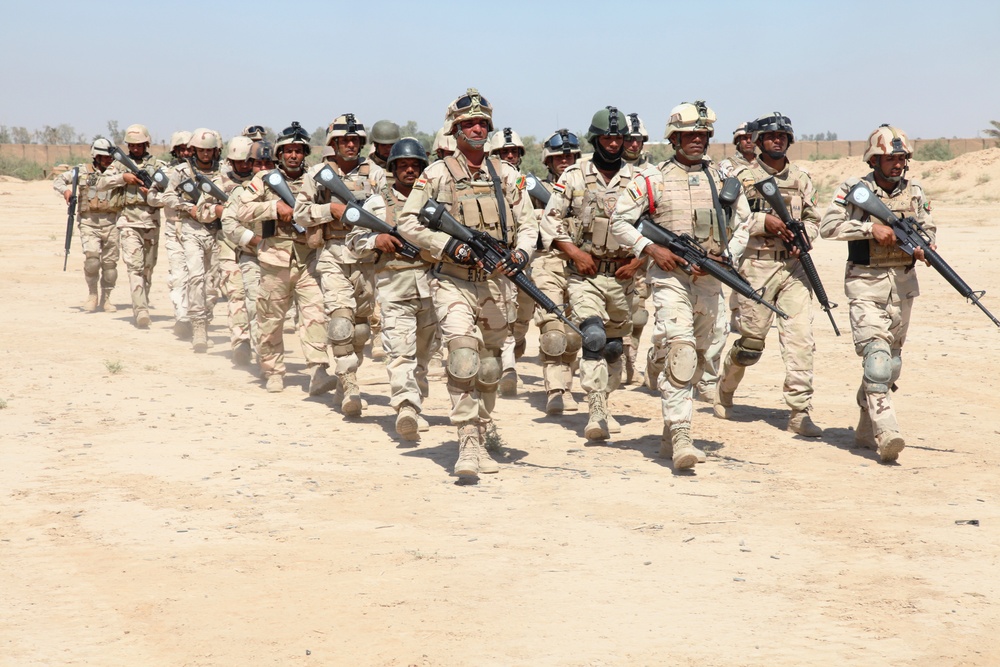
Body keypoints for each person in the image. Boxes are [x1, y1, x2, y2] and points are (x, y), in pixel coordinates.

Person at [397, 88, 536, 477]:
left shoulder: (507, 176)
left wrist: (522, 254)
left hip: (496, 283)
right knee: (461, 357)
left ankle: (483, 428)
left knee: (490, 368)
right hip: (453, 281)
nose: (477, 128)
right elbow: (408, 222)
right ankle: (467, 442)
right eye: (468, 124)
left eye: (482, 123)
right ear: (455, 130)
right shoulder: (436, 175)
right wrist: (447, 247)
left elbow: (529, 225)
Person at [610, 100, 750, 470]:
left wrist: (726, 258)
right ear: (675, 138)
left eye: (703, 135)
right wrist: (651, 247)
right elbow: (620, 222)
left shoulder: (722, 179)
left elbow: (744, 225)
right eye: (690, 134)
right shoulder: (652, 179)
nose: (697, 141)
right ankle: (681, 433)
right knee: (682, 351)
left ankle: (668, 422)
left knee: (703, 354)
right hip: (669, 277)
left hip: (710, 280)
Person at [820, 124, 934, 463]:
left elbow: (927, 227)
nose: (897, 164)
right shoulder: (854, 191)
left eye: (901, 158)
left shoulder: (915, 192)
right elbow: (828, 226)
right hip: (865, 283)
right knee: (878, 360)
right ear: (874, 160)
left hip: (903, 286)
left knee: (892, 365)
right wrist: (870, 228)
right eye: (889, 158)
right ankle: (887, 432)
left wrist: (925, 246)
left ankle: (865, 427)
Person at [715, 113, 824, 437]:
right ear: (759, 141)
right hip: (755, 267)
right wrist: (763, 223)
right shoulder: (740, 177)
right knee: (750, 345)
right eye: (771, 136)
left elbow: (814, 218)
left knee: (800, 340)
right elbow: (726, 221)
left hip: (793, 269)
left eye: (783, 136)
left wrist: (804, 237)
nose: (777, 140)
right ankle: (726, 386)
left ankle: (799, 411)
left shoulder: (802, 179)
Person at [540, 107, 642, 441]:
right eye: (607, 137)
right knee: (593, 336)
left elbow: (659, 226)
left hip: (624, 275)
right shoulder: (573, 175)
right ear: (596, 139)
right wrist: (574, 252)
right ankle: (595, 409)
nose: (614, 144)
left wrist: (638, 262)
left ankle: (605, 400)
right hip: (585, 273)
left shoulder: (640, 178)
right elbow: (551, 219)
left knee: (613, 347)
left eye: (619, 137)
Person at [235, 122, 338, 395]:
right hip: (274, 260)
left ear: (305, 153)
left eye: (298, 150)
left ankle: (318, 369)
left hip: (309, 259)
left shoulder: (317, 178)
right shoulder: (264, 179)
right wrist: (273, 207)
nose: (293, 155)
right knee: (270, 320)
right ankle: (273, 370)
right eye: (288, 151)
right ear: (280, 154)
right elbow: (241, 210)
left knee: (316, 315)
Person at [347, 138, 438, 439]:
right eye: (403, 166)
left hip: (432, 288)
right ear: (393, 169)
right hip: (394, 289)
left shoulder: (434, 204)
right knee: (400, 353)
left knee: (422, 357)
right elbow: (353, 242)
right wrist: (377, 241)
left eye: (415, 166)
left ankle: (417, 402)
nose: (409, 171)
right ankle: (406, 406)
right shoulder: (377, 203)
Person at [297, 113, 386, 416]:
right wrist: (329, 210)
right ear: (333, 143)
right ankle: (350, 384)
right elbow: (300, 213)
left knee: (360, 329)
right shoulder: (318, 173)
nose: (350, 145)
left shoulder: (376, 174)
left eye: (354, 140)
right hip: (333, 253)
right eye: (343, 140)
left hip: (367, 257)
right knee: (339, 320)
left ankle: (342, 379)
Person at [147, 128, 222, 352]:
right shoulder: (181, 171)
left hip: (218, 232)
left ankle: (205, 317)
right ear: (194, 150)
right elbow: (168, 196)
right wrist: (189, 207)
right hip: (191, 230)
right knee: (195, 276)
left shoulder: (225, 170)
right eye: (201, 150)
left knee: (213, 282)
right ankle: (199, 327)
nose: (205, 154)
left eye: (209, 150)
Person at [531, 129, 583, 414]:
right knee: (552, 331)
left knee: (574, 334)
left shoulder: (587, 188)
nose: (565, 161)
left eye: (570, 156)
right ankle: (555, 389)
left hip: (579, 265)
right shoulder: (532, 189)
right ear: (548, 162)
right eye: (559, 157)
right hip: (547, 262)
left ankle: (568, 384)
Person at [96, 124, 165, 329]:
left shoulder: (158, 165)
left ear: (146, 144)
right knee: (134, 267)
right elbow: (100, 184)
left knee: (147, 269)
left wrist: (152, 193)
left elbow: (169, 193)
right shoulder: (119, 165)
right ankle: (140, 310)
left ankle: (143, 300)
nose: (135, 149)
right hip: (128, 220)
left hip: (151, 221)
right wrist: (122, 178)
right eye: (132, 145)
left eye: (139, 145)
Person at [53, 138, 123, 312]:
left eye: (110, 157)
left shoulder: (117, 172)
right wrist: (66, 191)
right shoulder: (81, 171)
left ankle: (106, 299)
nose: (108, 160)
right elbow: (58, 180)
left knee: (110, 266)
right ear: (96, 156)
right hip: (88, 223)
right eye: (104, 157)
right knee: (92, 260)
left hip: (112, 223)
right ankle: (92, 295)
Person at [222, 140, 274, 367]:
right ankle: (263, 360)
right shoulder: (242, 192)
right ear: (251, 165)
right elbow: (230, 225)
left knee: (274, 311)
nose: (263, 169)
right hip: (252, 257)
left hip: (280, 260)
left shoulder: (285, 191)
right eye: (258, 164)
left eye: (267, 164)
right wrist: (255, 241)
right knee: (254, 306)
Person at [204, 136, 255, 365]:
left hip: (257, 248)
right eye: (239, 162)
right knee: (237, 295)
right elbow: (201, 210)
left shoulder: (262, 181)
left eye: (248, 161)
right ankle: (241, 341)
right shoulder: (218, 183)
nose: (244, 166)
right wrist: (218, 209)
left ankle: (260, 341)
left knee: (257, 299)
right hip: (229, 250)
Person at [488, 127, 530, 395]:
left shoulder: (524, 182)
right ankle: (507, 368)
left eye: (514, 151)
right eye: (504, 152)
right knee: (499, 314)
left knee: (521, 316)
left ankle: (513, 348)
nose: (510, 156)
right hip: (490, 259)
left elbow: (529, 220)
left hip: (522, 256)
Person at [622, 113, 652, 384]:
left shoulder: (652, 173)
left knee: (639, 314)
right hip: (611, 253)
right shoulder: (608, 169)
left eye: (638, 140)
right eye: (629, 140)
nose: (633, 145)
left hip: (642, 254)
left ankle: (631, 361)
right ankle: (617, 361)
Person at [160, 131, 194, 338]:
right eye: (182, 149)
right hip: (175, 227)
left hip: (204, 230)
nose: (187, 152)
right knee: (179, 275)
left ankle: (199, 317)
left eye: (190, 148)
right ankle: (182, 316)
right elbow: (156, 195)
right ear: (175, 151)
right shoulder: (166, 172)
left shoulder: (209, 171)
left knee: (205, 278)